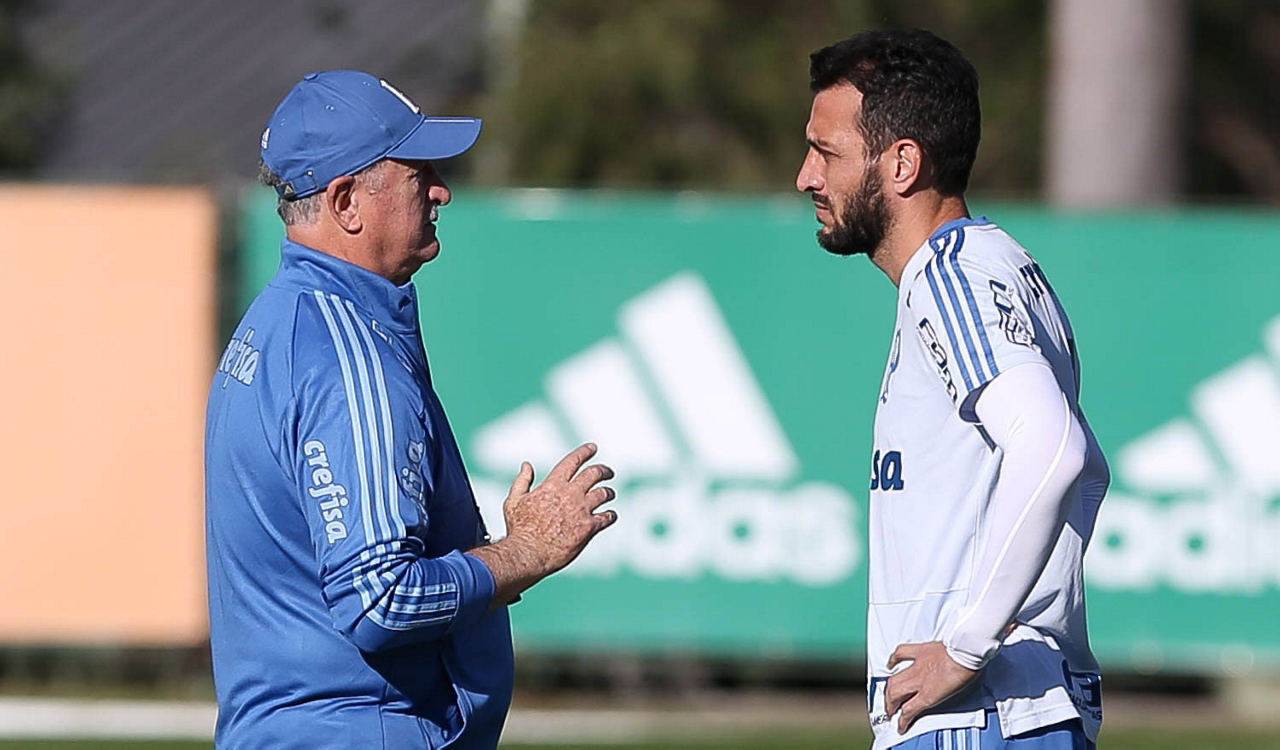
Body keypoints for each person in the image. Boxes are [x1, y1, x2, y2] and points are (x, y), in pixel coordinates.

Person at [205, 70, 618, 749]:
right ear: (346, 202)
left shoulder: (279, 321)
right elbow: (380, 601)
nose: (440, 190)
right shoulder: (346, 356)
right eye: (416, 173)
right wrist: (525, 552)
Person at [796, 31, 1109, 750]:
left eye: (827, 153)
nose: (807, 176)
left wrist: (966, 647)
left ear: (903, 163)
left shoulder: (950, 276)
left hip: (979, 717)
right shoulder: (998, 265)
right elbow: (1086, 466)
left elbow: (1054, 448)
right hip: (1016, 709)